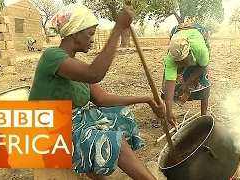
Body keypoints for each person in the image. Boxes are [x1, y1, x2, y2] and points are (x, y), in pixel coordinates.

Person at [28, 4, 165, 180]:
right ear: (75, 32)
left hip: (70, 123)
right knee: (113, 140)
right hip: (47, 130)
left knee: (121, 115)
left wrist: (145, 99)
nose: (92, 39)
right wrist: (118, 28)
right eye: (90, 34)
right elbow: (94, 74)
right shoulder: (52, 56)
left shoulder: (73, 65)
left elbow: (102, 99)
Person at [160, 22, 211, 126]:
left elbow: (202, 66)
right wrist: (169, 111)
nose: (180, 64)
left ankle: (204, 116)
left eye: (182, 61)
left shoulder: (200, 49)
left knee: (203, 78)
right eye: (177, 62)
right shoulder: (170, 58)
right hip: (178, 35)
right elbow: (170, 82)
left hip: (198, 33)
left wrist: (186, 84)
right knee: (167, 84)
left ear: (189, 52)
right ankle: (163, 112)